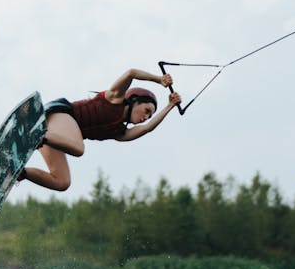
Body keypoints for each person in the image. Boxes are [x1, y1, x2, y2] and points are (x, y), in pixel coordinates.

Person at [20, 68, 182, 192]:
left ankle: (20, 173)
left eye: (149, 115)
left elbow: (147, 128)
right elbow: (131, 73)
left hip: (54, 137)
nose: (146, 117)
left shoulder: (119, 132)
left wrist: (170, 106)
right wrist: (158, 79)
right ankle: (35, 135)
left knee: (62, 182)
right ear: (134, 100)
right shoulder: (114, 98)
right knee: (78, 149)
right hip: (60, 115)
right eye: (146, 111)